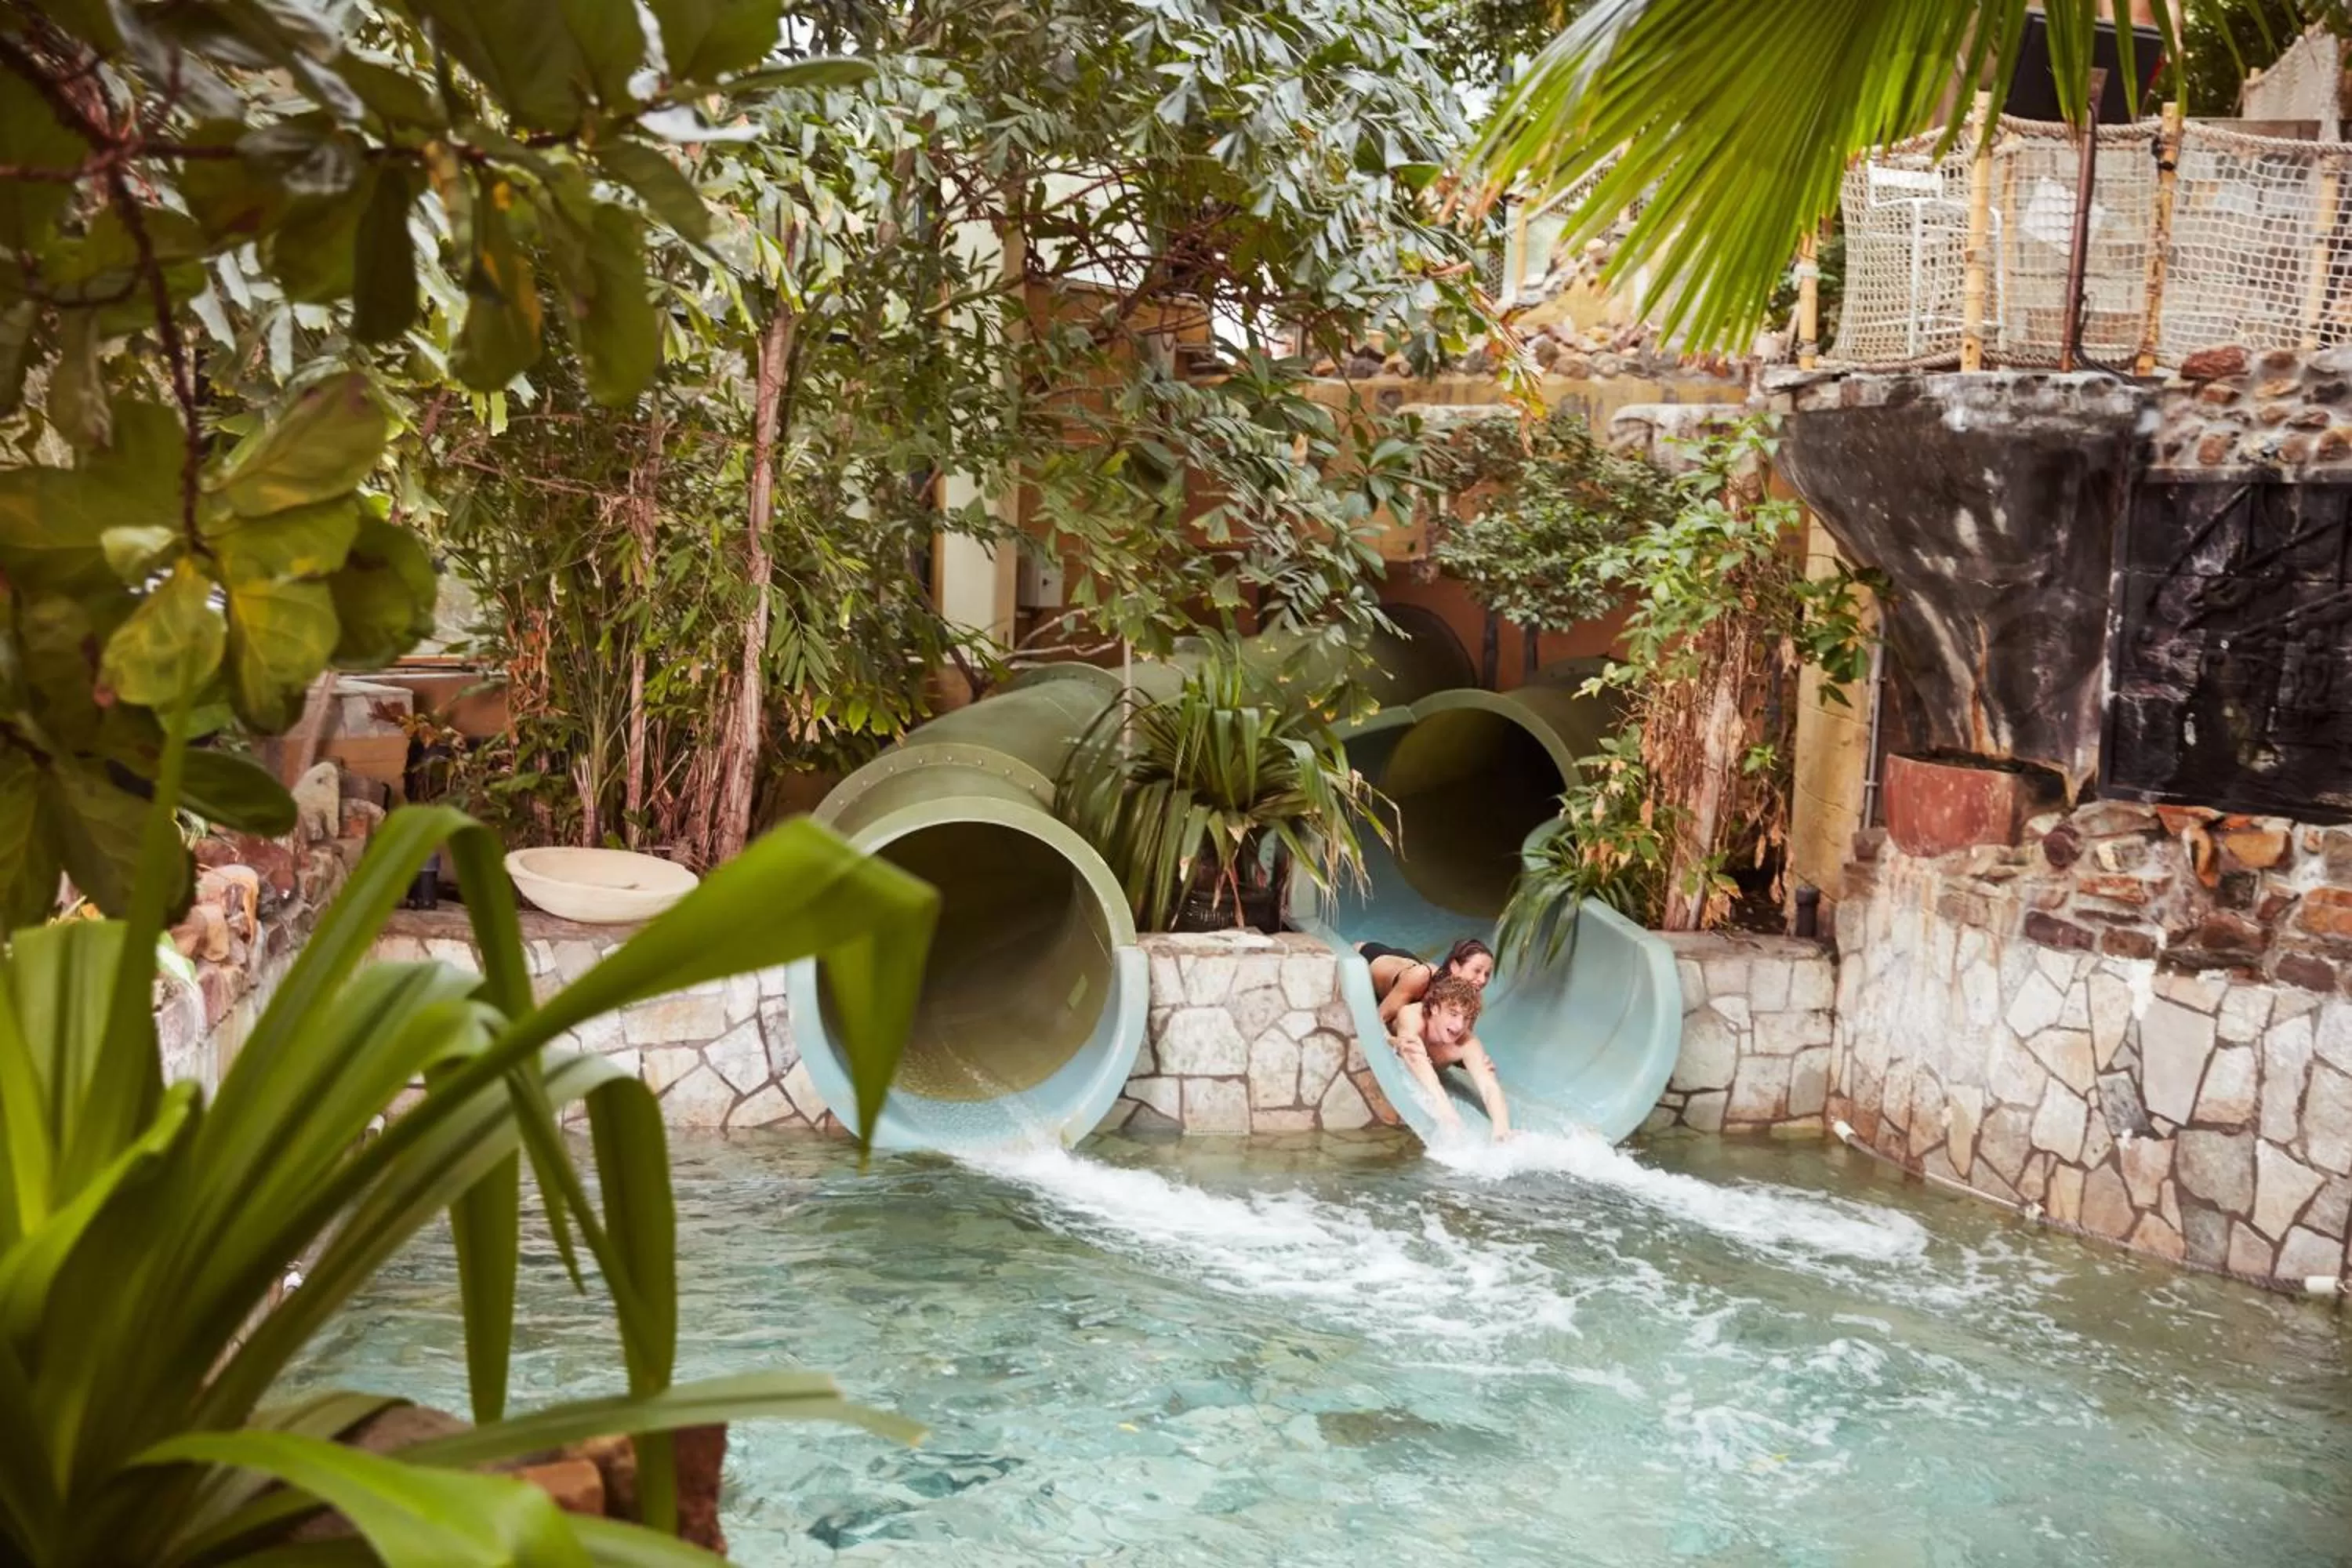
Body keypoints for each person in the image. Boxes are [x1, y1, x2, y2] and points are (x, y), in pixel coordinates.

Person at [1389, 971, 1511, 1142]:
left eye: (1466, 1018)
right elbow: (1413, 1055)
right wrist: (1446, 1110)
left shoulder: (1467, 1043)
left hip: (1433, 1067)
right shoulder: (1412, 1015)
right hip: (1396, 1033)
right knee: (1412, 1047)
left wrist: (1502, 1129)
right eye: (1453, 1014)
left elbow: (1489, 1087)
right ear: (1435, 1008)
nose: (1459, 1026)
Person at [1356, 937, 1494, 1027]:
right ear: (1454, 966)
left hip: (1410, 964)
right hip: (1370, 957)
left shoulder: (1473, 999)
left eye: (1487, 974)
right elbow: (1378, 1020)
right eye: (1477, 971)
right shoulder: (1421, 978)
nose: (1482, 980)